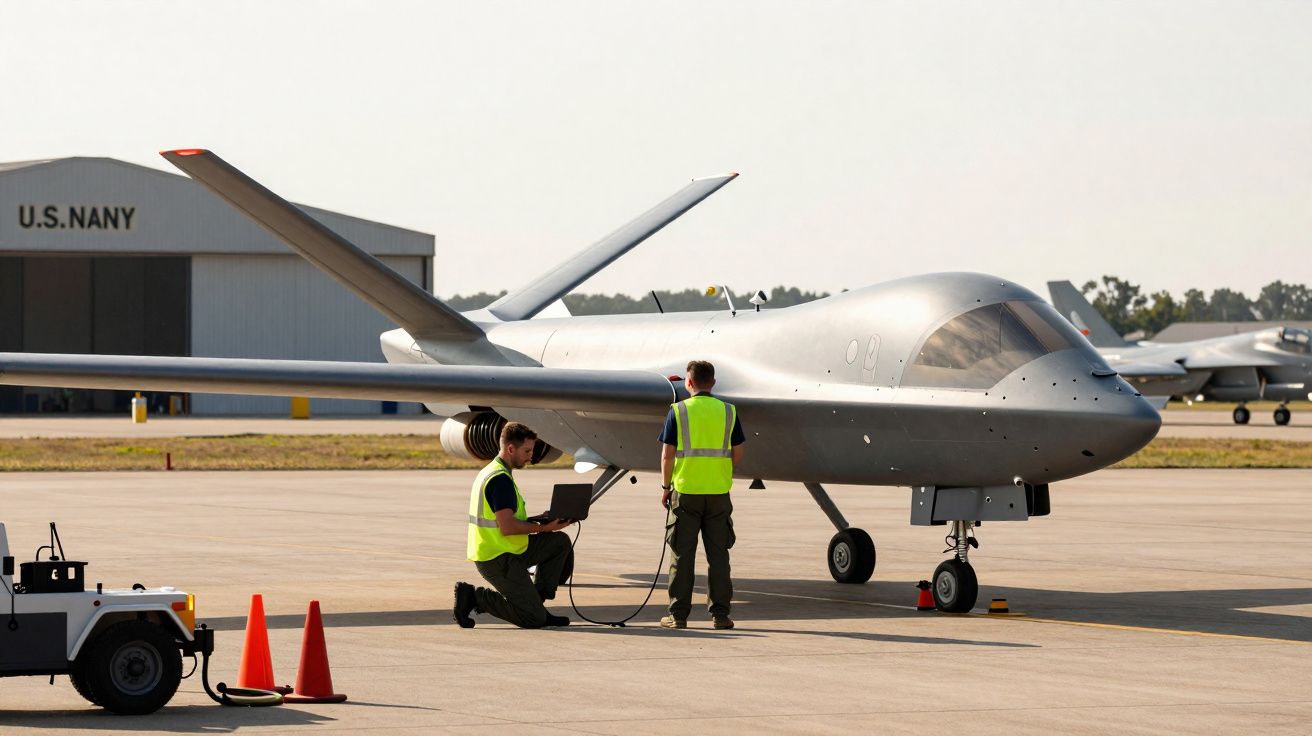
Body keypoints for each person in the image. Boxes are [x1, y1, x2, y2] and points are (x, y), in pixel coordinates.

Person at [453, 422, 574, 629]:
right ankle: (474, 597)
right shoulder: (500, 480)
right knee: (533, 620)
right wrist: (545, 528)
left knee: (558, 542)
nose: (531, 456)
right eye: (527, 451)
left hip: (510, 549)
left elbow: (504, 519)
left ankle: (535, 603)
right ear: (510, 449)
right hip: (496, 558)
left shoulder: (495, 471)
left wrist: (540, 519)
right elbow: (507, 527)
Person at [658, 360, 745, 630]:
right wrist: (720, 471)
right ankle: (720, 615)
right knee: (718, 556)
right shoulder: (728, 411)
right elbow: (738, 451)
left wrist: (666, 487)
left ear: (689, 382)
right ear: (713, 383)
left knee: (682, 556)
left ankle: (678, 616)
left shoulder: (679, 411)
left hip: (686, 493)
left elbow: (667, 455)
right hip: (718, 493)